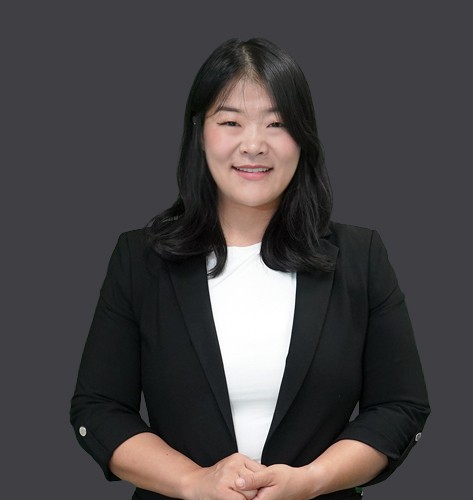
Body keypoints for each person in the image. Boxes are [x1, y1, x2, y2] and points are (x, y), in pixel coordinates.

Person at [70, 38, 430, 500]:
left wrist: (310, 481)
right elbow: (98, 408)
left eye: (277, 123)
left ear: (303, 136)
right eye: (231, 122)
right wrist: (194, 481)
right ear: (200, 133)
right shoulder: (140, 259)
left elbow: (399, 407)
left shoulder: (360, 257)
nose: (254, 145)